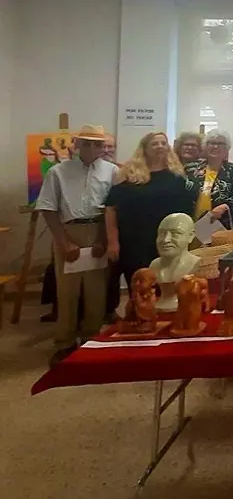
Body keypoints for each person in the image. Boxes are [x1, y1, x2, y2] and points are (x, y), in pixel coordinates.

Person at [35, 125, 116, 364]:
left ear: (104, 147)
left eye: (97, 143)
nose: (92, 148)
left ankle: (91, 339)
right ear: (77, 144)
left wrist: (105, 239)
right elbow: (48, 208)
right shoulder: (58, 172)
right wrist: (63, 242)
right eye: (87, 143)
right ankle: (65, 342)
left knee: (96, 292)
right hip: (69, 231)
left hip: (99, 229)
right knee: (67, 291)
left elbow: (114, 209)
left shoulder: (112, 172)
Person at [107, 131, 198, 286]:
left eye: (163, 143)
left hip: (168, 243)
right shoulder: (130, 176)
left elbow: (190, 209)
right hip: (135, 244)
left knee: (167, 288)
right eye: (155, 143)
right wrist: (112, 241)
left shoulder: (178, 177)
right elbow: (111, 208)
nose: (160, 146)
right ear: (144, 148)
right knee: (140, 289)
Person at [184, 130, 233, 229]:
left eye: (220, 143)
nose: (215, 146)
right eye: (212, 143)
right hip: (191, 223)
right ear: (205, 147)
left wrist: (223, 208)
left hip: (220, 225)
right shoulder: (190, 169)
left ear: (226, 149)